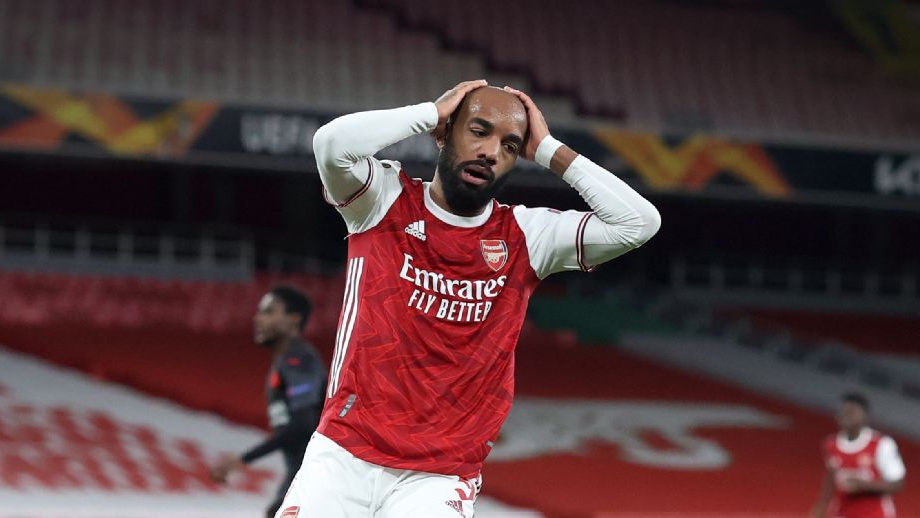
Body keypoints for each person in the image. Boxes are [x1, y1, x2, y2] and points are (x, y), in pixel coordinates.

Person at [275, 80, 661, 517]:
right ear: (444, 133)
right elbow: (330, 144)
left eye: (510, 146)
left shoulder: (526, 237)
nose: (491, 152)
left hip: (439, 477)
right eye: (478, 131)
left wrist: (550, 148)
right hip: (343, 455)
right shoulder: (383, 201)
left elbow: (638, 224)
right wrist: (431, 113)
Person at [210, 286, 327, 517]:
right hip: (303, 473)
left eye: (269, 311)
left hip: (315, 475)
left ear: (293, 319)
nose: (258, 318)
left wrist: (242, 459)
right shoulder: (286, 362)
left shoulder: (299, 359)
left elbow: (304, 424)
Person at [811, 393, 906, 518]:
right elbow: (831, 477)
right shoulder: (831, 444)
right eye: (844, 412)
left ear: (865, 416)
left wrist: (864, 486)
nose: (847, 416)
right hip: (842, 512)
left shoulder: (881, 444)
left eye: (852, 412)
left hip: (875, 514)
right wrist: (822, 505)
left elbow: (897, 484)